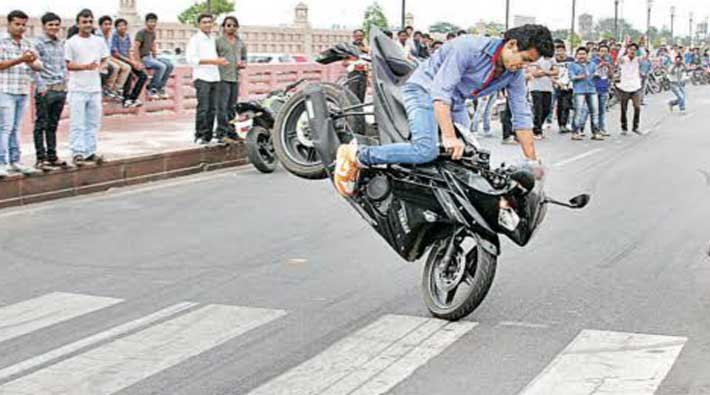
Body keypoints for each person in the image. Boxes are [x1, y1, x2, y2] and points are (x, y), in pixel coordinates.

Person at [333, 24, 553, 197]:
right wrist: (449, 136)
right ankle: (358, 155)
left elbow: (521, 115)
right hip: (423, 90)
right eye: (524, 59)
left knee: (469, 156)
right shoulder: (468, 47)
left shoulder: (513, 74)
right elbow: (441, 92)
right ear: (512, 44)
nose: (522, 65)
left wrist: (532, 161)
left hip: (455, 102)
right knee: (425, 150)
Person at [0, 10, 42, 177]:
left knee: (16, 128)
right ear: (9, 24)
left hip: (22, 89)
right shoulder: (2, 42)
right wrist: (20, 59)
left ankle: (15, 160)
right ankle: (2, 162)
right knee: (5, 128)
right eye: (17, 24)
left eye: (24, 24)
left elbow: (39, 66)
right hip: (5, 90)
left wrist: (32, 62)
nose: (21, 28)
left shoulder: (27, 43)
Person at [65, 8, 109, 166]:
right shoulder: (71, 42)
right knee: (77, 123)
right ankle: (77, 152)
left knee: (93, 123)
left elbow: (105, 58)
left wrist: (102, 66)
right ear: (78, 24)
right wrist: (85, 66)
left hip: (94, 88)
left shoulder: (98, 41)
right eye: (84, 22)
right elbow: (68, 64)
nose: (88, 24)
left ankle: (90, 151)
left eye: (90, 21)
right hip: (78, 88)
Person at [33, 12, 69, 169]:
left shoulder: (60, 44)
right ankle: (41, 158)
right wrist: (41, 86)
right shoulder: (38, 43)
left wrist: (65, 83)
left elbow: (63, 65)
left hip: (59, 88)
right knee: (41, 124)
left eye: (56, 24)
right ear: (44, 26)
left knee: (53, 124)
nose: (54, 28)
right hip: (46, 90)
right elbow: (34, 67)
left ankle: (52, 156)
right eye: (50, 25)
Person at [186, 13, 228, 144]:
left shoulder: (213, 39)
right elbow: (191, 60)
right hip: (202, 77)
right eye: (204, 22)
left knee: (213, 109)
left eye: (209, 22)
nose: (207, 24)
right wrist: (214, 61)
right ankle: (199, 135)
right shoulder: (195, 40)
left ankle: (208, 135)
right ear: (199, 24)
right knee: (203, 108)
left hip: (215, 77)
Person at [215, 16, 247, 143]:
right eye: (228, 25)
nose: (231, 28)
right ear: (224, 27)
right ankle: (221, 134)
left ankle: (232, 132)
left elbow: (244, 57)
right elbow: (213, 57)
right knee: (222, 107)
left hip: (235, 77)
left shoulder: (240, 42)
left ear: (237, 27)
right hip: (222, 77)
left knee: (232, 107)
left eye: (234, 25)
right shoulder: (218, 42)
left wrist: (243, 63)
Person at [135, 13, 173, 99]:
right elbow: (136, 47)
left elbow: (152, 45)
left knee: (170, 65)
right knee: (161, 66)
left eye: (154, 22)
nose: (152, 24)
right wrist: (137, 61)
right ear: (146, 22)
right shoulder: (141, 33)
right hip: (143, 58)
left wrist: (155, 55)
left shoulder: (153, 33)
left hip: (150, 57)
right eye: (150, 22)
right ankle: (151, 87)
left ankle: (160, 87)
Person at [111, 18, 147, 108]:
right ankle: (125, 99)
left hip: (127, 60)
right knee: (128, 73)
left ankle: (132, 98)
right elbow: (115, 53)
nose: (122, 27)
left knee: (143, 76)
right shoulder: (114, 36)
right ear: (116, 28)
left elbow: (129, 51)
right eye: (119, 25)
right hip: (118, 60)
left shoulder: (127, 36)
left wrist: (134, 62)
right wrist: (131, 62)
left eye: (124, 25)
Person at [568, 47, 602, 141]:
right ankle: (575, 132)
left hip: (592, 90)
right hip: (579, 90)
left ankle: (596, 132)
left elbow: (598, 75)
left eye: (583, 54)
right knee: (578, 111)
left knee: (594, 112)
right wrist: (581, 76)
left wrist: (597, 76)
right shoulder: (572, 65)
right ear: (576, 55)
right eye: (579, 54)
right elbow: (572, 77)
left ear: (587, 55)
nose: (581, 56)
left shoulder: (592, 65)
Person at [98, 15, 131, 102]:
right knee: (115, 67)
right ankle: (107, 89)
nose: (108, 26)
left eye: (109, 24)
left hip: (108, 57)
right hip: (100, 58)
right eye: (105, 24)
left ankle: (116, 89)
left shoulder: (110, 35)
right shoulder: (98, 36)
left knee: (127, 67)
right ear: (100, 26)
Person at [528, 55, 558, 139]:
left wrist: (543, 71)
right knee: (538, 109)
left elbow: (556, 71)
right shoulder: (535, 56)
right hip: (535, 87)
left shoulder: (551, 58)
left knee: (547, 109)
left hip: (548, 87)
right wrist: (549, 72)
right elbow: (534, 73)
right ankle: (537, 131)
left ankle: (537, 126)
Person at [616, 42, 643, 134]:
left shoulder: (638, 60)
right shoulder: (623, 59)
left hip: (636, 86)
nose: (632, 51)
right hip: (624, 87)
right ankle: (624, 128)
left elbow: (645, 56)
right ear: (627, 50)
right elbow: (618, 58)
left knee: (637, 107)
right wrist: (624, 46)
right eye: (631, 49)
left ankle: (635, 127)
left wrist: (641, 47)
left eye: (634, 50)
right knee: (624, 108)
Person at [591, 44, 613, 136]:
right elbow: (590, 74)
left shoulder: (608, 61)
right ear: (598, 52)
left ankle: (602, 128)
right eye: (602, 51)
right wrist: (600, 65)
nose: (603, 53)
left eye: (605, 51)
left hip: (604, 88)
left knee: (602, 110)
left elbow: (611, 76)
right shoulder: (593, 61)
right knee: (594, 111)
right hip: (594, 88)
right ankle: (595, 130)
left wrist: (609, 67)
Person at [552, 44, 574, 134]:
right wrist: (556, 82)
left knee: (566, 105)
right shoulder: (553, 61)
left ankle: (564, 124)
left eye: (561, 50)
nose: (559, 52)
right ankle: (561, 124)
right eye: (557, 50)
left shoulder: (571, 60)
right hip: (557, 85)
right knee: (560, 105)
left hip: (569, 85)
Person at [345, 29, 369, 103]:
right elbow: (344, 63)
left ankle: (360, 113)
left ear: (364, 37)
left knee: (362, 95)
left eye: (361, 36)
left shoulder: (366, 48)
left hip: (364, 74)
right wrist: (355, 63)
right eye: (357, 36)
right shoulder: (348, 48)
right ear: (353, 36)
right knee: (352, 95)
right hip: (353, 73)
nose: (359, 37)